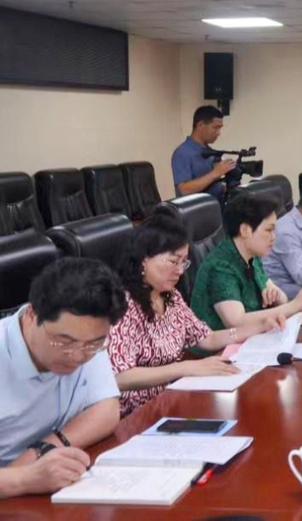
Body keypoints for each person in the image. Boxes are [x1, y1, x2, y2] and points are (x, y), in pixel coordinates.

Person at [108, 213, 280, 416]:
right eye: (174, 262)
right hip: (135, 413)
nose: (180, 271)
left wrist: (259, 326)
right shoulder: (122, 305)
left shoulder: (170, 297)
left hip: (172, 400)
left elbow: (208, 338)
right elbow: (120, 377)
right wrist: (185, 368)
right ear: (144, 259)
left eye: (184, 263)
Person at [0, 258, 127, 498]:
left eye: (94, 344)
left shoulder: (86, 337)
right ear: (32, 315)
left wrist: (42, 450)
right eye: (64, 342)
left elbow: (106, 410)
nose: (78, 357)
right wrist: (24, 478)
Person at [192, 195, 302, 330]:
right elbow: (236, 322)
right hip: (223, 342)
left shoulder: (251, 256)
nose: (274, 237)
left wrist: (275, 295)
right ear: (245, 230)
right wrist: (293, 306)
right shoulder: (221, 266)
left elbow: (282, 298)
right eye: (269, 230)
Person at [171, 105, 234, 203]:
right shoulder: (182, 153)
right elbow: (184, 190)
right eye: (215, 127)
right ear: (200, 125)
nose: (218, 133)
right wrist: (215, 173)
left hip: (216, 207)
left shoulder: (210, 152)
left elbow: (210, 184)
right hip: (197, 210)